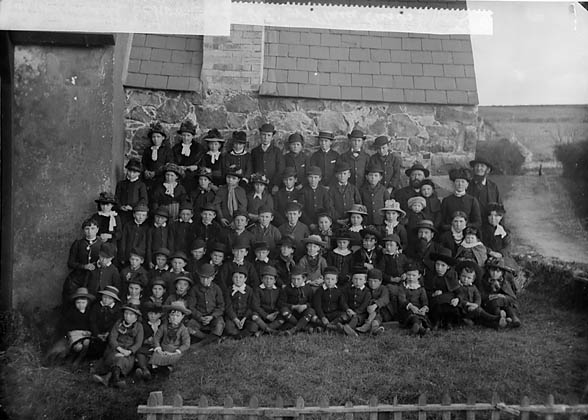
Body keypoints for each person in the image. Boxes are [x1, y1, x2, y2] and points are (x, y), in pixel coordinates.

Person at [92, 301, 144, 388]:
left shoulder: (139, 327)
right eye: (126, 313)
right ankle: (115, 380)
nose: (127, 316)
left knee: (122, 360)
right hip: (115, 349)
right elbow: (112, 338)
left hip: (128, 352)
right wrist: (119, 349)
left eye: (131, 315)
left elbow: (138, 343)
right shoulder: (118, 323)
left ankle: (108, 378)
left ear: (136, 317)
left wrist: (129, 351)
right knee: (116, 357)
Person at [454, 260, 507, 328]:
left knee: (480, 319)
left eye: (469, 278)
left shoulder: (473, 287)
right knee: (479, 311)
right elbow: (459, 297)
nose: (465, 279)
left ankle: (497, 324)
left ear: (473, 280)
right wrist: (469, 304)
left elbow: (478, 297)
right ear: (460, 276)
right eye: (463, 276)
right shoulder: (458, 287)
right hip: (463, 309)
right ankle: (496, 318)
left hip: (474, 307)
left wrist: (476, 304)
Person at [50, 287, 95, 366]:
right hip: (74, 334)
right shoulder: (71, 313)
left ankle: (79, 359)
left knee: (87, 343)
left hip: (86, 335)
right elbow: (67, 326)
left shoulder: (90, 313)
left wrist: (89, 332)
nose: (80, 305)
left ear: (87, 302)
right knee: (78, 347)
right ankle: (72, 357)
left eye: (83, 302)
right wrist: (71, 332)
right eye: (78, 303)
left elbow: (92, 324)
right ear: (75, 303)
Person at [62, 218, 103, 303]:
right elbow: (70, 263)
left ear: (97, 229)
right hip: (78, 277)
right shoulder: (78, 244)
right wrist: (84, 266)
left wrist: (100, 263)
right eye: (87, 229)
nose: (90, 232)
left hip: (94, 277)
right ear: (83, 230)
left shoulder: (102, 244)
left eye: (92, 229)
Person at [149, 301, 191, 372]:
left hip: (174, 352)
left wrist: (177, 351)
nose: (174, 318)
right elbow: (157, 338)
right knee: (156, 355)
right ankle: (155, 370)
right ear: (169, 316)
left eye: (177, 316)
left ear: (182, 317)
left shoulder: (183, 329)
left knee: (177, 358)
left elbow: (186, 344)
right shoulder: (164, 326)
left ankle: (167, 369)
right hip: (163, 350)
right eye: (172, 315)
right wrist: (158, 348)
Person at [424, 249, 460, 329]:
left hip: (448, 300)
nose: (439, 268)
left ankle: (448, 322)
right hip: (435, 300)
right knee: (437, 305)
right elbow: (425, 290)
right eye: (437, 264)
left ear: (448, 267)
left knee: (450, 306)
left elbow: (458, 291)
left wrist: (457, 299)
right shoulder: (431, 276)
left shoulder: (452, 276)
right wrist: (433, 294)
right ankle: (437, 321)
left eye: (443, 265)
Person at [190, 264, 225, 346]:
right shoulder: (194, 289)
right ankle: (209, 338)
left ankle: (202, 343)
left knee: (220, 324)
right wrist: (200, 317)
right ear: (199, 277)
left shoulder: (216, 289)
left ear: (212, 277)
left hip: (213, 317)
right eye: (202, 278)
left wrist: (212, 316)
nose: (205, 281)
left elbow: (221, 306)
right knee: (190, 326)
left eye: (208, 278)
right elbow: (191, 307)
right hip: (200, 317)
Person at [480, 258, 521, 328]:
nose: (495, 273)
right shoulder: (484, 280)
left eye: (498, 271)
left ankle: (513, 318)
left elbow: (512, 297)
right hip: (490, 303)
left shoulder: (505, 282)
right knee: (494, 304)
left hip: (504, 301)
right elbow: (482, 295)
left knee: (509, 306)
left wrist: (502, 296)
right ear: (488, 270)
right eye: (492, 270)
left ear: (502, 272)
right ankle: (501, 318)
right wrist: (493, 296)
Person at [278, 265, 316, 335]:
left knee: (311, 311)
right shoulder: (287, 289)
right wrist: (293, 307)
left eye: (298, 279)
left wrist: (305, 306)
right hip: (291, 314)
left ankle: (294, 329)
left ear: (304, 279)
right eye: (293, 279)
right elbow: (281, 303)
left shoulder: (308, 288)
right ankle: (303, 327)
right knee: (284, 310)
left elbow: (313, 302)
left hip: (304, 312)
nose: (295, 282)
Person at [311, 266, 348, 333]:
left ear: (336, 281)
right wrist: (322, 317)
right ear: (324, 279)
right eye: (327, 279)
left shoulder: (338, 291)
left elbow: (342, 303)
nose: (329, 281)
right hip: (323, 313)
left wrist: (347, 309)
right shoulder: (319, 291)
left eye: (332, 279)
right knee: (313, 317)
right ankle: (331, 327)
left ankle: (328, 326)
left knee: (345, 315)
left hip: (334, 313)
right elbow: (317, 306)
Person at [88, 286, 122, 358]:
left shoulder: (117, 309)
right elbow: (92, 321)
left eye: (110, 298)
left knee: (109, 345)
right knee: (94, 345)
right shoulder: (96, 306)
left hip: (110, 332)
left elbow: (116, 323)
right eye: (105, 297)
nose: (106, 300)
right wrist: (97, 334)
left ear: (114, 300)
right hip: (97, 331)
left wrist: (108, 333)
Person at [251, 266, 285, 335]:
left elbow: (280, 304)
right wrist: (266, 316)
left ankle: (262, 330)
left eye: (271, 279)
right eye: (266, 278)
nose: (268, 281)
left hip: (274, 315)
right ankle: (271, 331)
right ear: (262, 279)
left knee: (283, 318)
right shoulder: (258, 290)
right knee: (254, 316)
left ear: (275, 280)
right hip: (262, 314)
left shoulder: (278, 290)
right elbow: (255, 305)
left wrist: (275, 313)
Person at [398, 264, 431, 335]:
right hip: (406, 309)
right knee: (412, 316)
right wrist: (411, 307)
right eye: (409, 275)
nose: (411, 277)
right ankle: (419, 328)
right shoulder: (403, 287)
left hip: (418, 309)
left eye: (413, 275)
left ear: (419, 276)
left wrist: (424, 308)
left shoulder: (421, 288)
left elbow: (424, 301)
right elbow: (402, 300)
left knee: (421, 316)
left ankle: (418, 327)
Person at [224, 268, 256, 339]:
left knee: (253, 326)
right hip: (233, 317)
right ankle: (240, 334)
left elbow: (251, 306)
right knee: (228, 328)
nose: (238, 279)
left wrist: (244, 318)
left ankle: (238, 335)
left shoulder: (249, 290)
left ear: (245, 279)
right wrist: (235, 319)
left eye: (241, 277)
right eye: (235, 277)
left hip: (245, 317)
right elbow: (228, 307)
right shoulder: (228, 290)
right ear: (232, 278)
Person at [134, 301, 163, 381]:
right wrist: (146, 340)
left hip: (160, 346)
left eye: (155, 314)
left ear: (160, 314)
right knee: (140, 352)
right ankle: (145, 370)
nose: (153, 316)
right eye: (150, 314)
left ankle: (149, 371)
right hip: (147, 346)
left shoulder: (163, 324)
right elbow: (139, 337)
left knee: (157, 355)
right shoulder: (143, 325)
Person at [251, 123, 284, 193]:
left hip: (272, 186)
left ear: (272, 137)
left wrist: (276, 184)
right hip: (258, 186)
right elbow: (252, 168)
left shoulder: (277, 151)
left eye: (269, 135)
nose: (266, 138)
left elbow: (280, 169)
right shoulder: (255, 151)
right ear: (260, 135)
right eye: (264, 135)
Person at [338, 267, 371, 337]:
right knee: (342, 317)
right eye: (355, 279)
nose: (357, 282)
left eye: (360, 279)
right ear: (352, 279)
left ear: (365, 281)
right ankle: (334, 326)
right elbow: (343, 301)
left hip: (360, 314)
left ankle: (348, 329)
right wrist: (347, 309)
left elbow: (364, 305)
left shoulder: (366, 292)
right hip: (349, 311)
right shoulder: (348, 289)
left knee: (355, 319)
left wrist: (355, 312)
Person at [142, 121, 173, 193]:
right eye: (154, 137)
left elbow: (168, 165)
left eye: (158, 137)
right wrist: (146, 171)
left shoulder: (167, 151)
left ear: (163, 138)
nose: (156, 139)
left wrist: (155, 173)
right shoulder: (148, 150)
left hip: (161, 178)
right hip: (148, 179)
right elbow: (143, 163)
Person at [172, 120, 202, 193]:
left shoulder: (198, 148)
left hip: (193, 177)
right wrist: (178, 168)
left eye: (188, 135)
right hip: (179, 177)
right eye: (184, 135)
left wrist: (197, 167)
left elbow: (202, 163)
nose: (186, 138)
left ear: (192, 136)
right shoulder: (176, 148)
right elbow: (172, 162)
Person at [115, 159, 148, 226]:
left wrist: (133, 207)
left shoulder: (141, 185)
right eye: (129, 171)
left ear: (139, 173)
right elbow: (116, 197)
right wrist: (120, 206)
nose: (131, 174)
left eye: (134, 172)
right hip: (122, 213)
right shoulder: (121, 184)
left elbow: (144, 199)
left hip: (134, 213)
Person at [467, 156, 502, 220]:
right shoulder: (467, 185)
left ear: (487, 170)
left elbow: (499, 209)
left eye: (482, 166)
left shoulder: (493, 187)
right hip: (471, 223)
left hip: (488, 223)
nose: (479, 168)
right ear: (473, 169)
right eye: (477, 166)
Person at [356, 268, 388, 335]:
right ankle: (375, 328)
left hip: (382, 311)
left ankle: (368, 324)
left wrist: (375, 305)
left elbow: (385, 299)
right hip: (367, 311)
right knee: (374, 320)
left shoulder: (383, 288)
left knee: (375, 307)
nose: (372, 284)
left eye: (375, 281)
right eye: (370, 281)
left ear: (380, 281)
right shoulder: (366, 289)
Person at [328, 161, 361, 225]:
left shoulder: (353, 189)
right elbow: (330, 206)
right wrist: (337, 219)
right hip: (337, 222)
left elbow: (358, 204)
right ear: (336, 175)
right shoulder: (332, 190)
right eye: (340, 174)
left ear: (349, 175)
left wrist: (351, 217)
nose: (342, 176)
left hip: (352, 221)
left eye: (344, 174)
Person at [360, 162, 390, 226]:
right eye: (371, 175)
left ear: (380, 178)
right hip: (367, 220)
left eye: (376, 175)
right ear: (366, 177)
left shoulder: (383, 190)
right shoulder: (362, 190)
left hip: (380, 221)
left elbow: (387, 205)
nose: (373, 178)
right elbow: (361, 204)